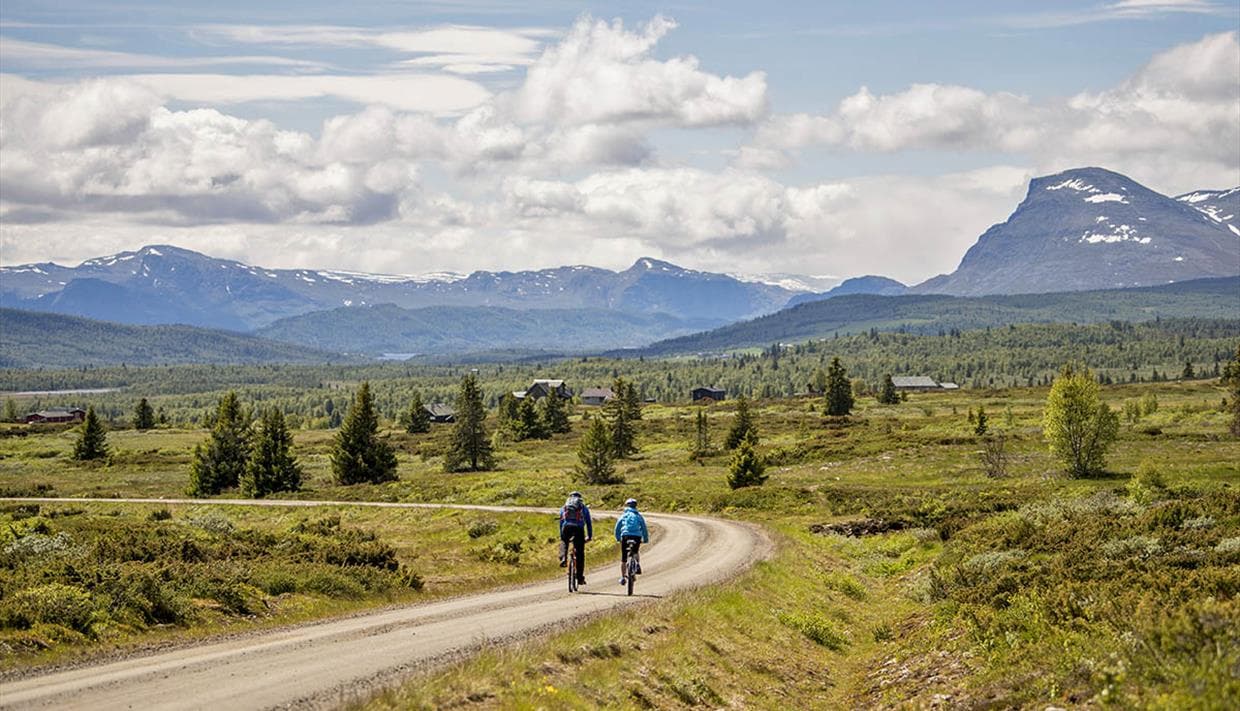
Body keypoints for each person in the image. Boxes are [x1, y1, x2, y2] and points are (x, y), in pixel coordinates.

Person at [558, 491, 592, 585]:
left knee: (564, 542)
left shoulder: (564, 507)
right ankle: (580, 578)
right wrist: (589, 536)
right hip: (578, 529)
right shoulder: (583, 507)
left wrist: (562, 536)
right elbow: (588, 523)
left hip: (566, 527)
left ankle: (563, 558)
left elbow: (561, 522)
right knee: (580, 554)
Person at [614, 498, 649, 586]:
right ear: (635, 506)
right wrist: (645, 539)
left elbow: (617, 527)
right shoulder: (638, 516)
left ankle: (622, 577)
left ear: (627, 506)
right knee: (636, 551)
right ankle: (637, 565)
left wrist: (618, 538)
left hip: (625, 536)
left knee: (624, 558)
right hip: (637, 536)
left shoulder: (624, 515)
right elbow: (644, 528)